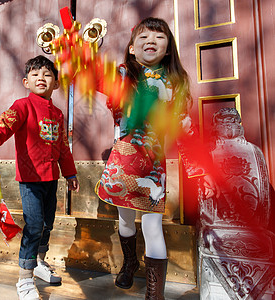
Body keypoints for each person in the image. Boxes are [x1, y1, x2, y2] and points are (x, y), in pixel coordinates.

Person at [95, 17, 218, 299]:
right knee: (125, 221)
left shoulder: (174, 85)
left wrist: (202, 169)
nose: (151, 40)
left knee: (152, 224)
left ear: (168, 49)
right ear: (131, 49)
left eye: (159, 37)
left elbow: (185, 127)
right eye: (144, 36)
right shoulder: (123, 77)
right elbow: (97, 78)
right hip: (123, 161)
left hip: (153, 165)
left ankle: (155, 294)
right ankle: (129, 261)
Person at [0, 55, 80, 300]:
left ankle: (38, 262)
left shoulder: (57, 114)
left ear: (56, 83)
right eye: (35, 75)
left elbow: (63, 147)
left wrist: (70, 173)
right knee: (34, 225)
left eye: (47, 75)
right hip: (30, 179)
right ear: (26, 81)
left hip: (51, 179)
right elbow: (3, 125)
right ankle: (25, 278)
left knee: (47, 225)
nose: (41, 79)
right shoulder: (22, 106)